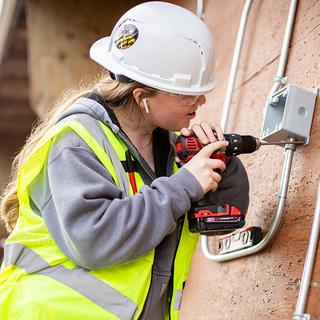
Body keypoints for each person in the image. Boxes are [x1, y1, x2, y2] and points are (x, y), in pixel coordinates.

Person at [0, 2, 249, 319]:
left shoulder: (170, 150)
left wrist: (221, 167)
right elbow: (94, 239)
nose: (200, 101)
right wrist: (185, 184)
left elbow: (219, 220)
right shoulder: (74, 144)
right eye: (186, 94)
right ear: (142, 97)